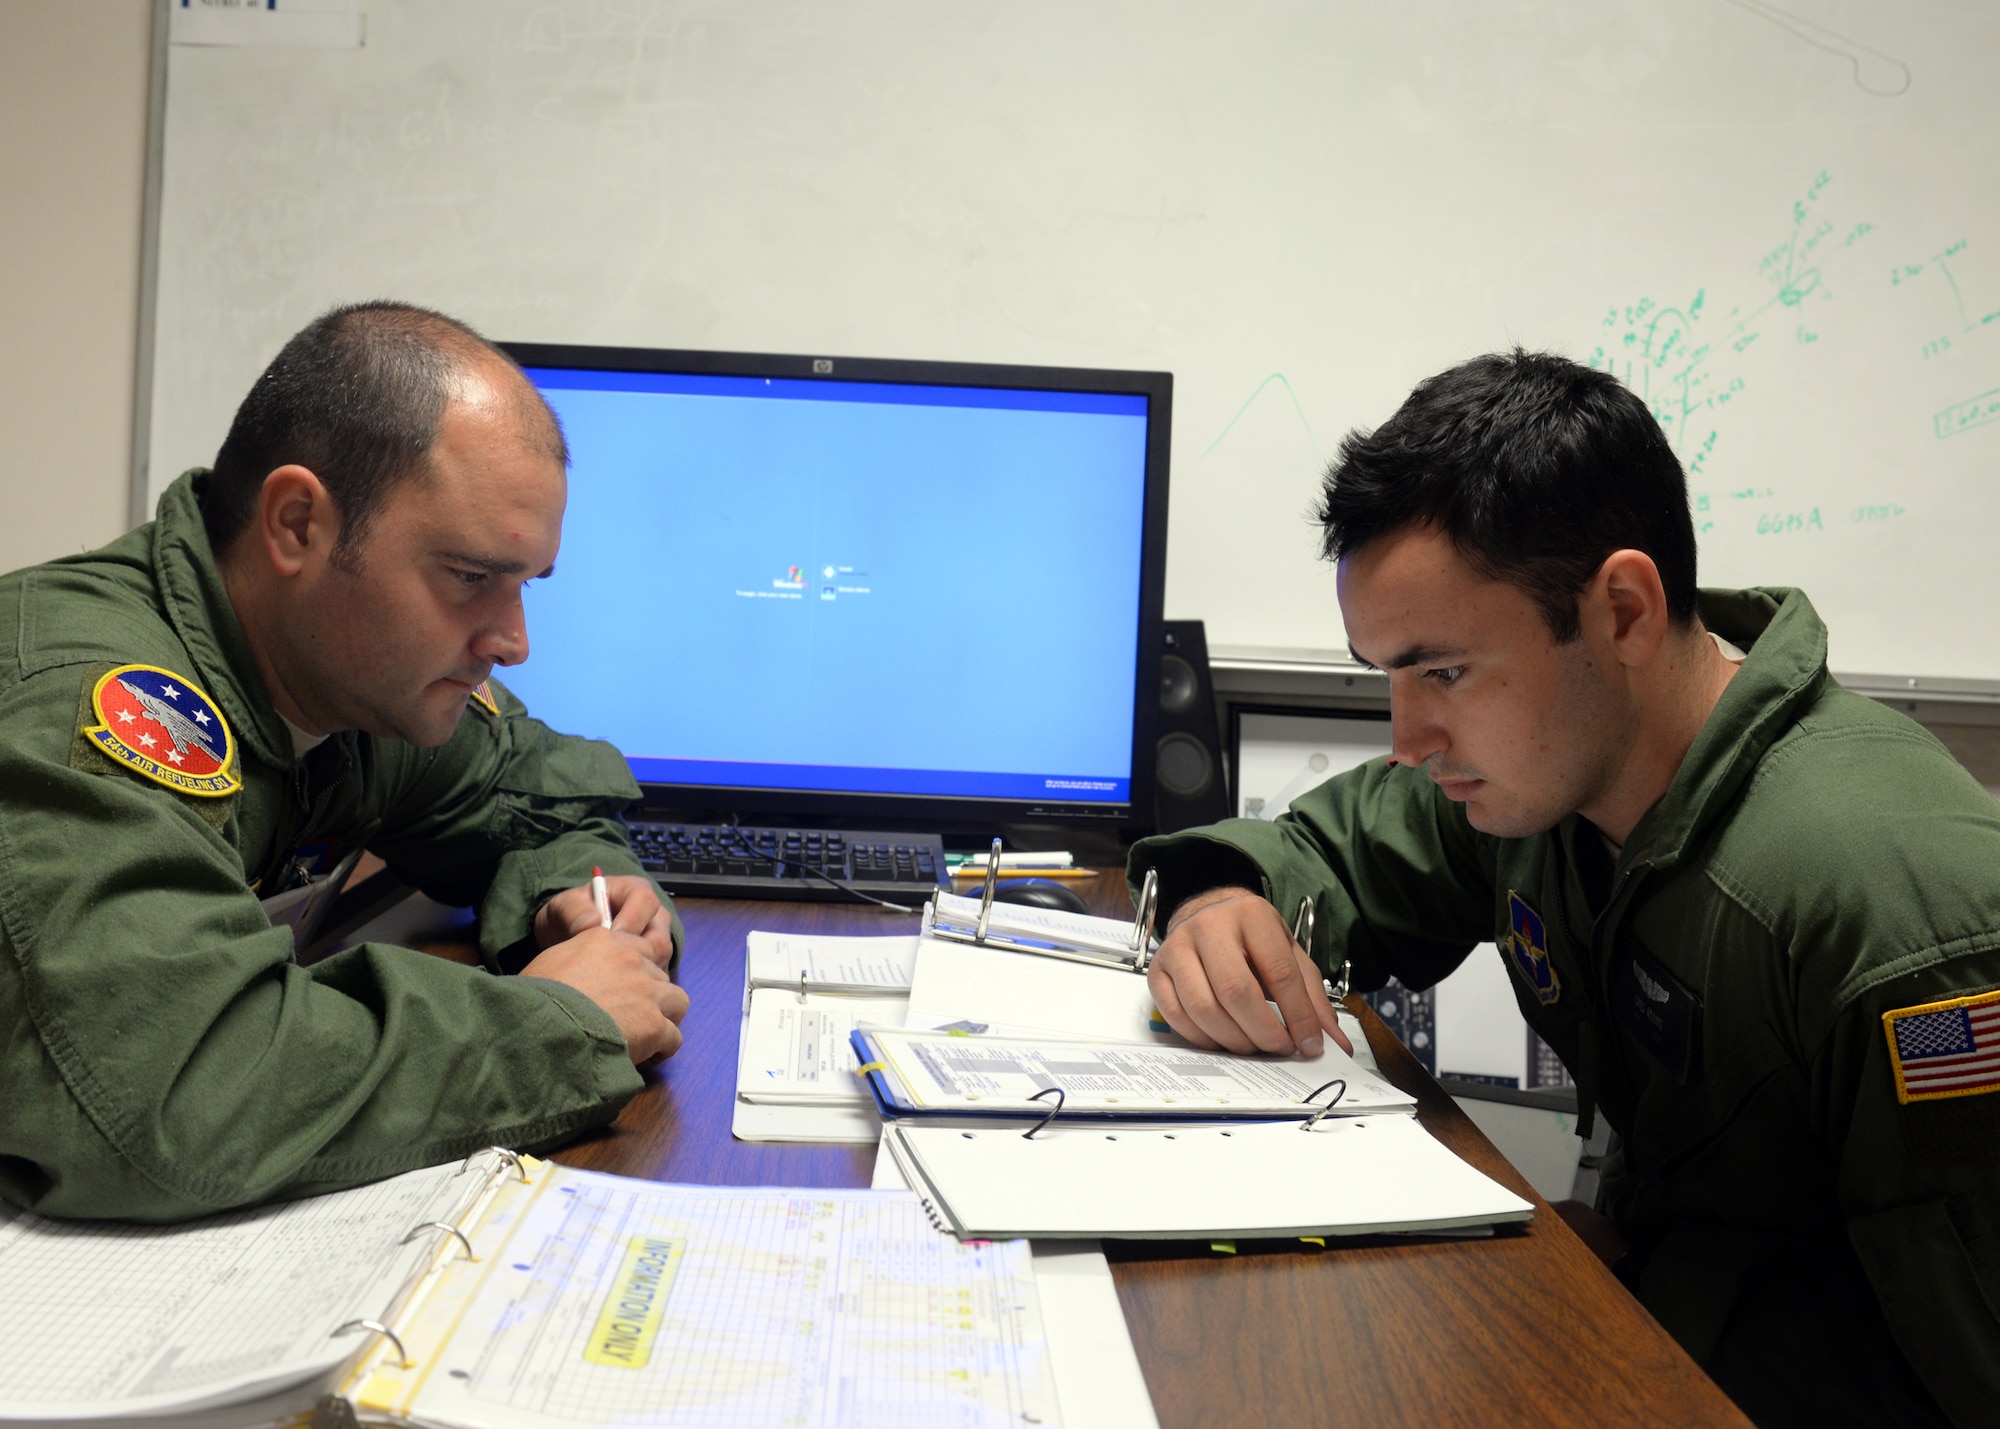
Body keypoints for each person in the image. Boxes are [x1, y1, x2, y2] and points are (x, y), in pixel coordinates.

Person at [1131, 350, 2000, 1428]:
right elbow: (1342, 843)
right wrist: (1222, 898)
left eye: (1441, 671)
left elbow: (1957, 1361)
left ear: (1622, 610)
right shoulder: (1543, 777)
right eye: (1385, 677)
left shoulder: (1890, 917)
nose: (1405, 740)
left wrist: (1621, 1292)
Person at [0, 302, 689, 1223]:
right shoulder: (93, 710)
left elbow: (534, 796)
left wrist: (579, 894)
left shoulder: (351, 682)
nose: (513, 640)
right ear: (296, 525)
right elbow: (168, 1096)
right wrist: (558, 1023)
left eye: (525, 586)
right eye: (470, 575)